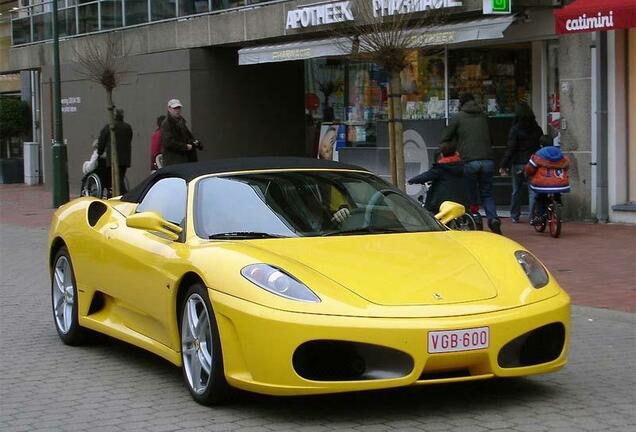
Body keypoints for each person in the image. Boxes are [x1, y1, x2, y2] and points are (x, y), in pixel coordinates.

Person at [441, 93, 501, 234]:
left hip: (469, 161)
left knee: (470, 193)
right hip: (487, 160)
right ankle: (493, 219)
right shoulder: (483, 116)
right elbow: (492, 138)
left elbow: (445, 137)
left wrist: (452, 146)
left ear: (461, 104)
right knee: (487, 194)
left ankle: (475, 217)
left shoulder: (458, 118)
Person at [499, 102, 543, 223]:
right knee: (532, 190)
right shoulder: (537, 129)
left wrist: (504, 164)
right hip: (532, 162)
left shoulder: (515, 129)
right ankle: (533, 216)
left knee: (516, 190)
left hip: (518, 162)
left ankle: (514, 215)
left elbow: (511, 148)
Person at [525, 135, 570, 225]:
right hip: (559, 182)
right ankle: (558, 203)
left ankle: (539, 217)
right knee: (556, 191)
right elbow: (566, 165)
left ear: (541, 145)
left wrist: (527, 174)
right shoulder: (559, 153)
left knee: (539, 198)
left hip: (543, 184)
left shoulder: (538, 154)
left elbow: (530, 168)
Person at [407, 141, 464, 213]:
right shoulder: (462, 165)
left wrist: (412, 180)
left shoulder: (440, 168)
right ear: (455, 152)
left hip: (442, 200)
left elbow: (426, 176)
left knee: (430, 207)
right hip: (460, 198)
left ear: (442, 154)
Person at [97, 108, 133, 193]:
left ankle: (123, 195)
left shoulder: (110, 127)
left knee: (114, 179)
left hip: (113, 158)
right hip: (125, 158)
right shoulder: (127, 127)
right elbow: (130, 139)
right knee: (120, 177)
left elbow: (102, 140)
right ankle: (121, 193)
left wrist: (100, 152)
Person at [161, 99, 200, 166]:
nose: (177, 110)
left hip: (185, 160)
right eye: (175, 108)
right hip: (174, 161)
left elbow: (187, 137)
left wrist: (195, 142)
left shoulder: (181, 122)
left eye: (178, 108)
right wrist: (185, 147)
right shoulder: (166, 124)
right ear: (169, 109)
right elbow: (168, 142)